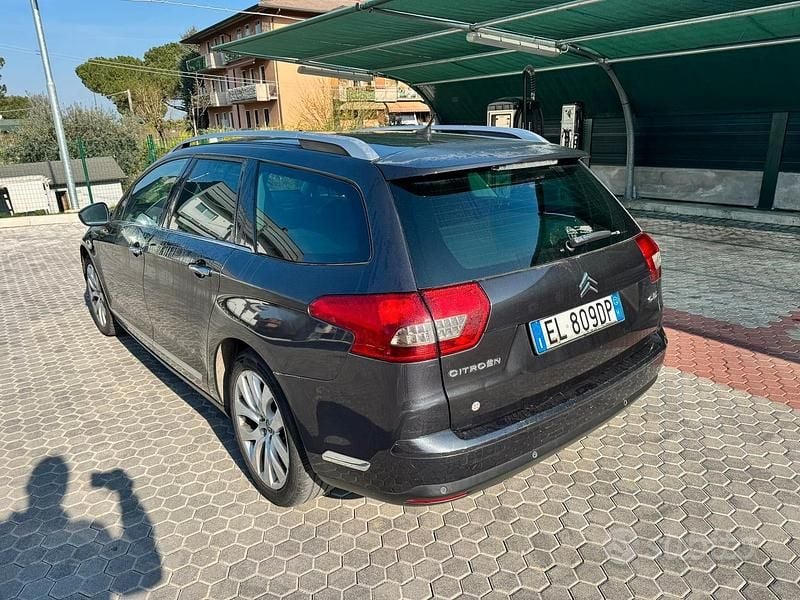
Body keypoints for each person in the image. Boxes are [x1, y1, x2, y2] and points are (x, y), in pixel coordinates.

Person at [0, 457, 162, 599]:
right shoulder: (90, 530)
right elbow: (149, 571)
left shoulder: (6, 533)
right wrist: (125, 492)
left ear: (29, 487)